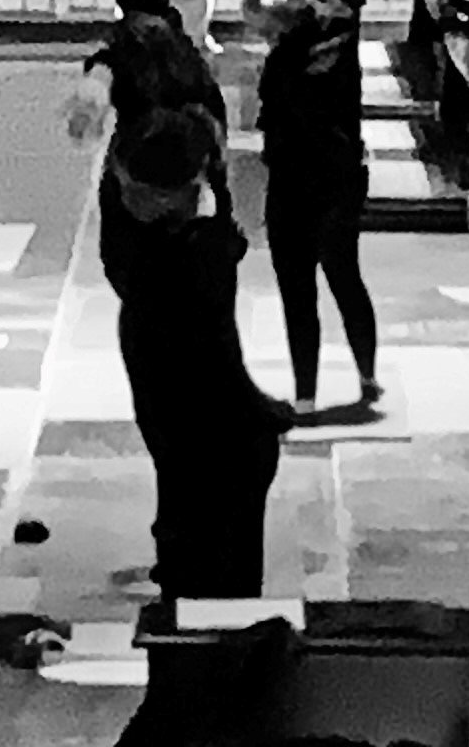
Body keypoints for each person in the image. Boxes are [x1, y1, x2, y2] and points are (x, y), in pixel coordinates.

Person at [102, 96, 289, 599]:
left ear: (168, 194)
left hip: (216, 452)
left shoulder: (191, 262)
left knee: (214, 599)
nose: (121, 197)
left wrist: (262, 412)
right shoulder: (183, 236)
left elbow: (218, 362)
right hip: (192, 442)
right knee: (196, 580)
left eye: (130, 188)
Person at [246, 0, 378, 418]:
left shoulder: (299, 59)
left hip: (314, 177)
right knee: (340, 277)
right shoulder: (337, 32)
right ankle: (357, 376)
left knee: (305, 285)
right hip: (328, 174)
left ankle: (309, 394)